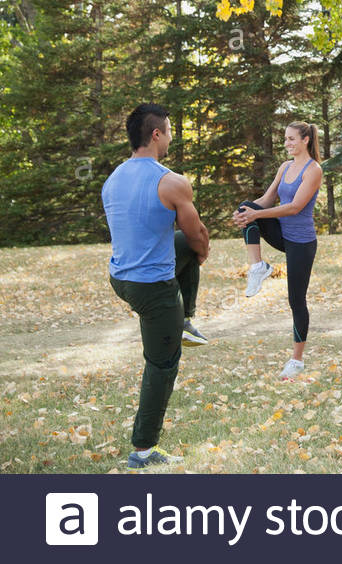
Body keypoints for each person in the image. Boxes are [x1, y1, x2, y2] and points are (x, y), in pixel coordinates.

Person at [103, 103, 210, 470]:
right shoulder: (172, 181)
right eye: (168, 131)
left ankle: (186, 320)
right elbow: (196, 235)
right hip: (152, 289)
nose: (170, 138)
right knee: (162, 364)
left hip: (120, 279)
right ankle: (143, 450)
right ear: (155, 135)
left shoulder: (113, 178)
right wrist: (203, 250)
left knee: (181, 244)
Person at [233, 122, 323, 380]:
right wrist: (245, 213)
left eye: (292, 139)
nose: (287, 143)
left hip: (302, 243)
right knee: (246, 208)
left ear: (306, 140)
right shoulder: (285, 167)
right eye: (285, 139)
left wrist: (257, 214)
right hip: (281, 232)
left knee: (296, 299)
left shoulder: (313, 169)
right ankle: (258, 267)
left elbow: (294, 207)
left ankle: (296, 360)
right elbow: (266, 200)